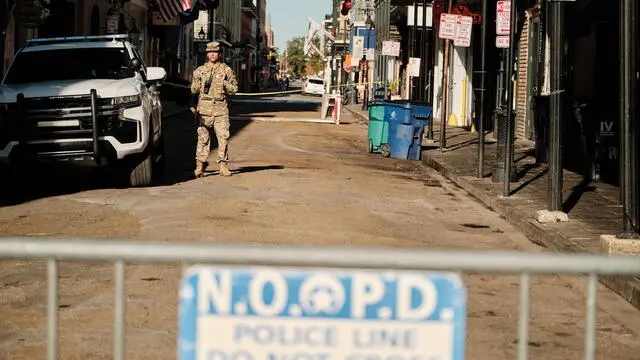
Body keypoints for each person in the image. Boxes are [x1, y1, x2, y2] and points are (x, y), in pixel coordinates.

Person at [190, 41, 238, 178]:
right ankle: (200, 166)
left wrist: (224, 83)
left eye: (215, 52)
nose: (212, 54)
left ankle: (223, 166)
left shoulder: (226, 70)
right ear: (207, 55)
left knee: (223, 138)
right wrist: (198, 83)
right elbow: (193, 89)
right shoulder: (199, 70)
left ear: (219, 54)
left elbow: (234, 89)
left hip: (220, 110)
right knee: (203, 139)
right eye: (210, 52)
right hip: (204, 111)